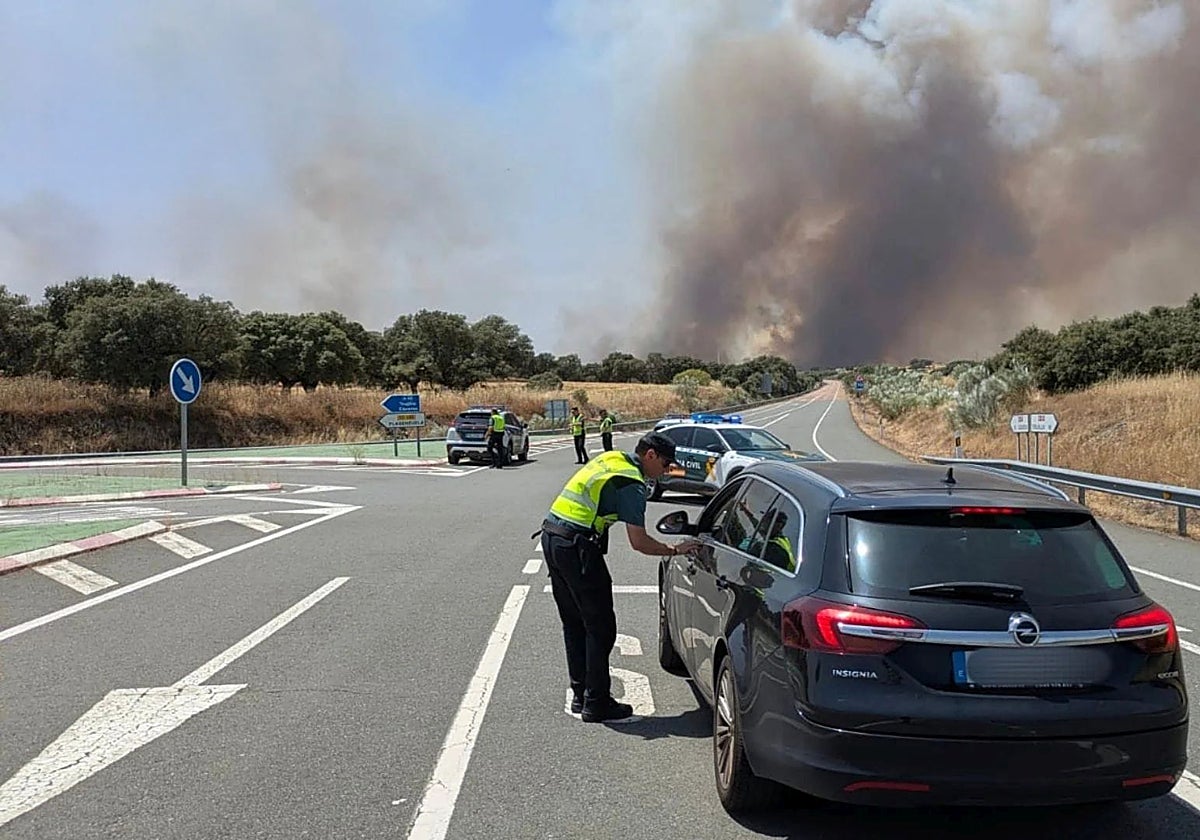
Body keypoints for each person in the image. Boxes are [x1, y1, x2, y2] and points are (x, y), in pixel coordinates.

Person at [534, 433, 703, 722]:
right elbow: (639, 542)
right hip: (578, 547)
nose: (665, 471)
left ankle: (581, 694)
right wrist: (675, 549)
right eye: (665, 464)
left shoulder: (612, 459)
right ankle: (597, 702)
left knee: (574, 623)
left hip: (552, 537)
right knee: (601, 628)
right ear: (650, 455)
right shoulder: (632, 483)